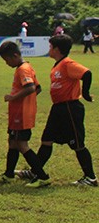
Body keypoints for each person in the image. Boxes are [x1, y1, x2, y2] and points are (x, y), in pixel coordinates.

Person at [27, 34, 95, 187]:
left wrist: (85, 94)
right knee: (46, 140)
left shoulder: (67, 63)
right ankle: (35, 170)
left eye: (51, 47)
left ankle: (90, 177)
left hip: (70, 108)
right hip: (58, 108)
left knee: (78, 144)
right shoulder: (58, 64)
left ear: (57, 49)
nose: (49, 49)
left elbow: (87, 73)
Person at [0, 41, 46, 184]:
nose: (6, 63)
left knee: (22, 144)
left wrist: (13, 98)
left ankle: (43, 177)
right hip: (19, 113)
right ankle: (9, 174)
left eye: (7, 59)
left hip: (21, 115)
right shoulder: (26, 67)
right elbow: (38, 88)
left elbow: (30, 88)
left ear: (15, 55)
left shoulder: (23, 69)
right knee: (12, 142)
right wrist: (27, 102)